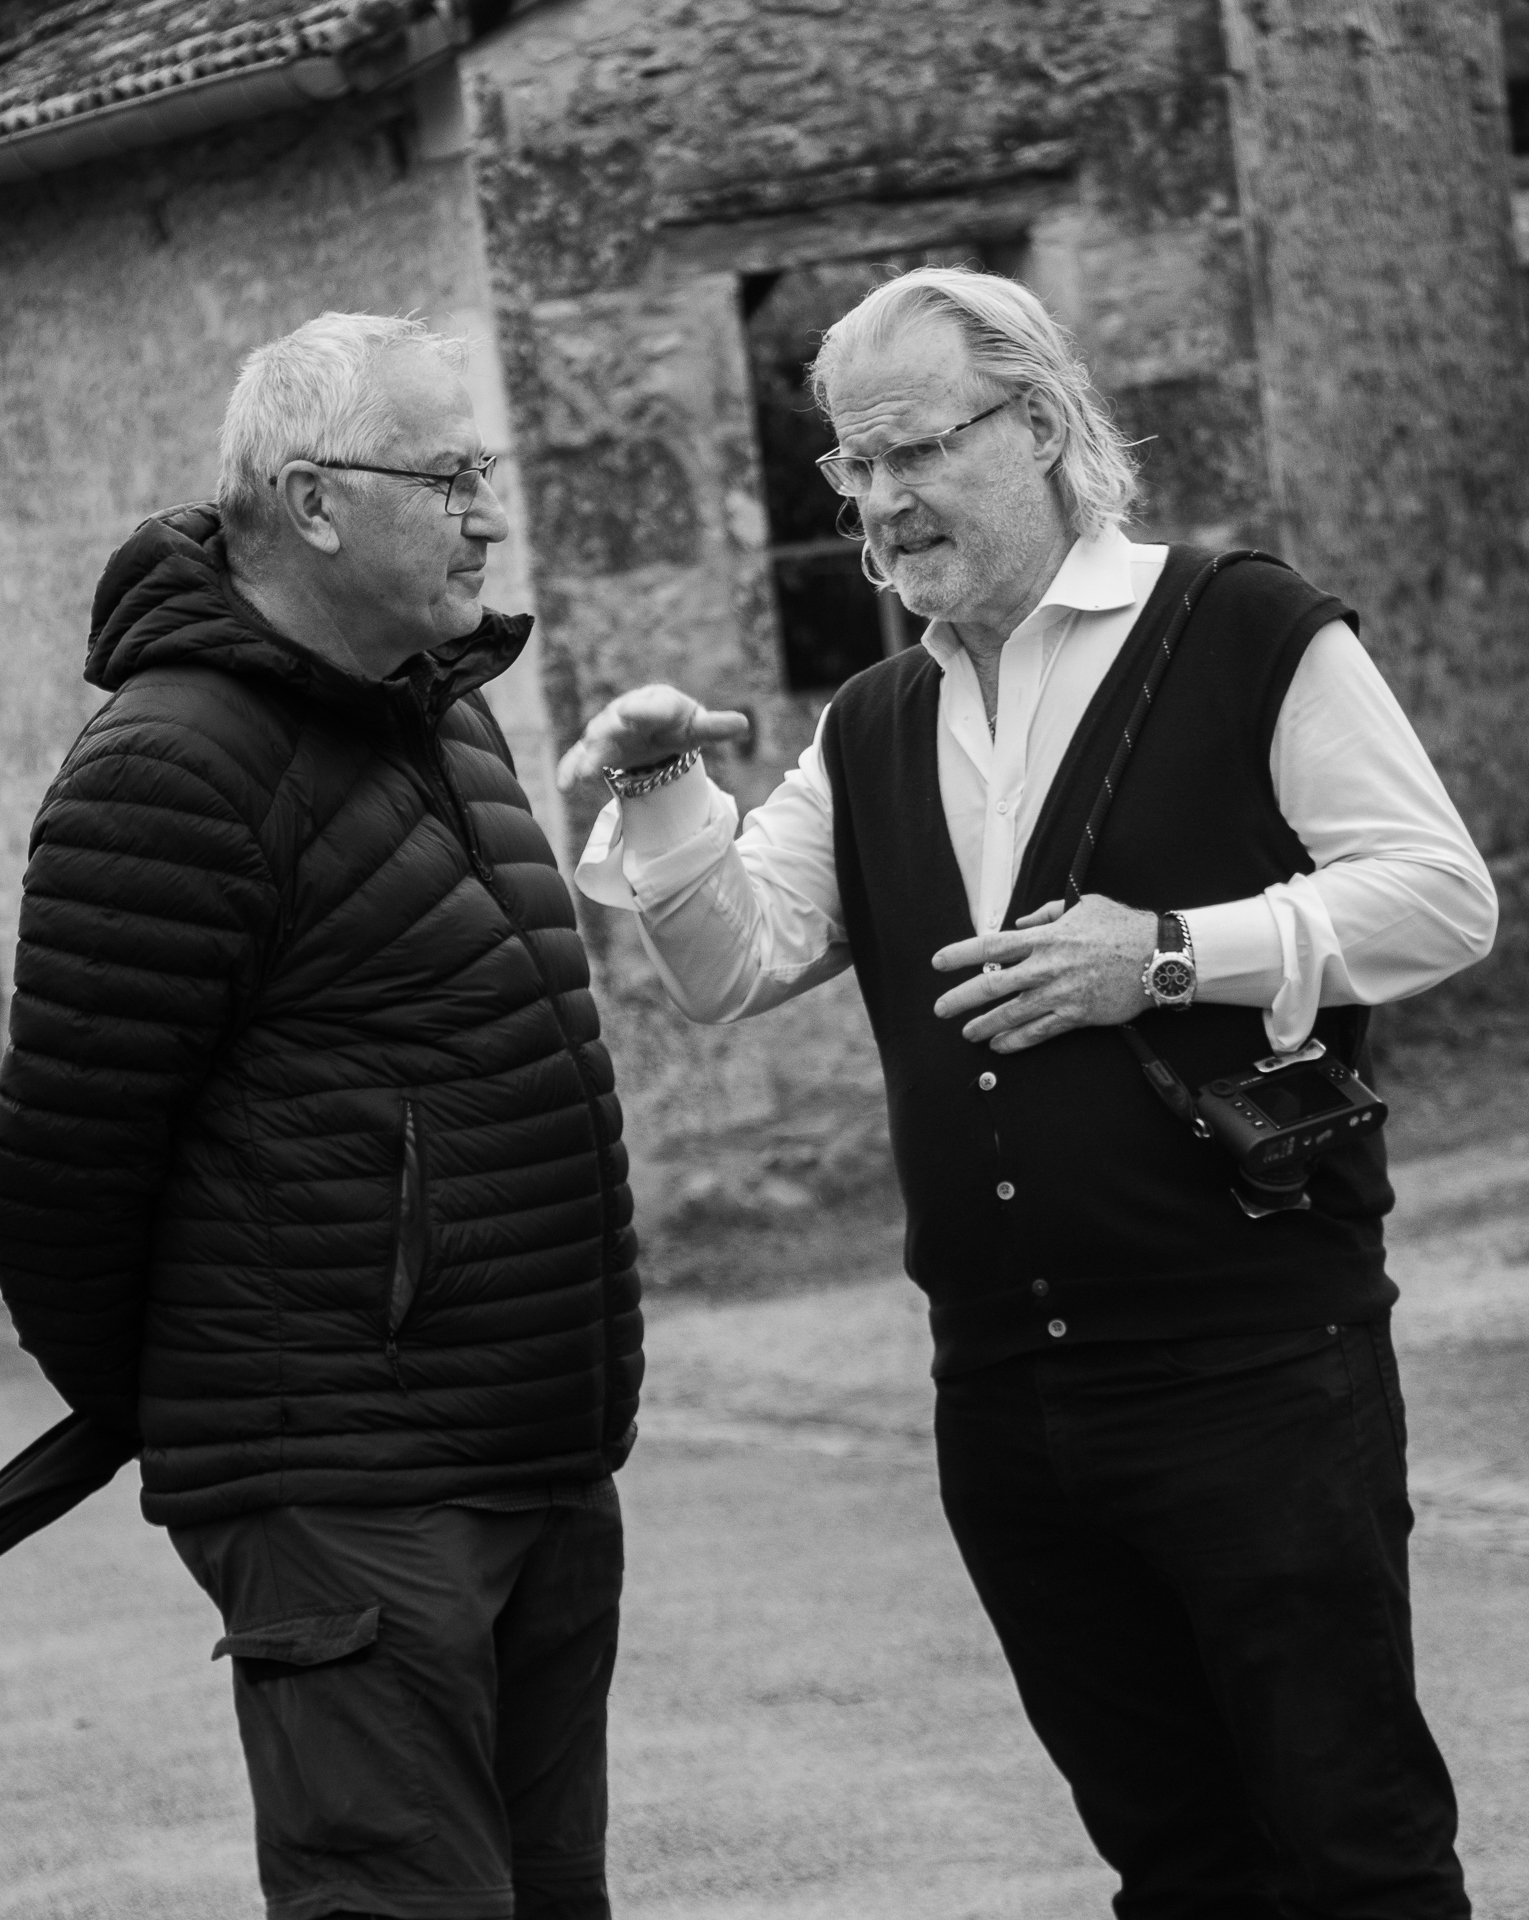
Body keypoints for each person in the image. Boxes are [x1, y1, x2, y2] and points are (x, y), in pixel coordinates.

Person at [558, 267, 1497, 1918]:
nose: (880, 499)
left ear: (1043, 426)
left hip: (1254, 1365)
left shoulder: (1248, 627)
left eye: (914, 447)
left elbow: (1438, 896)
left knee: (1353, 1853)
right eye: (852, 464)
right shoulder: (872, 720)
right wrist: (658, 792)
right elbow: (729, 964)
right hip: (1003, 1402)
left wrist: (1165, 957)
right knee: (1174, 1864)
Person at [0, 312, 643, 1920]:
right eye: (448, 477)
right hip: (351, 1508)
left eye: (482, 473)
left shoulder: (443, 709)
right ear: (311, 499)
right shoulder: (170, 766)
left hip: (539, 1463)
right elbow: (65, 1183)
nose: (488, 512)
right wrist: (259, 1439)